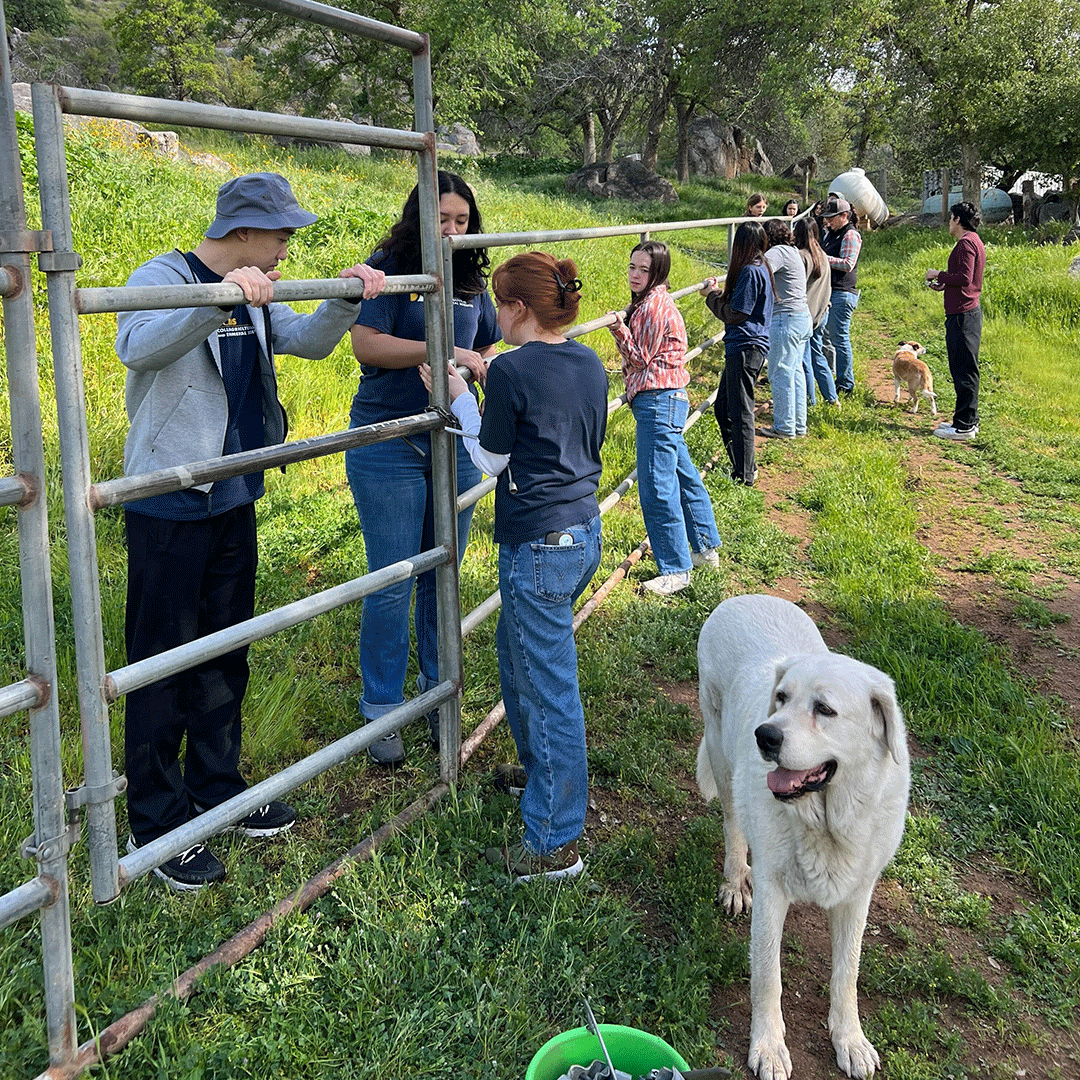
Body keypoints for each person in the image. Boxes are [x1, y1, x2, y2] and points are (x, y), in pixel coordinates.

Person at [117, 172, 386, 891]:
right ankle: (157, 820)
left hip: (234, 493)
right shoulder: (166, 276)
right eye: (281, 236)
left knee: (225, 651)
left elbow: (304, 339)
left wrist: (343, 297)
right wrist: (219, 299)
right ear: (241, 229)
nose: (287, 249)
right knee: (161, 663)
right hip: (169, 499)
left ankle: (216, 788)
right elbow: (137, 346)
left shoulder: (258, 286)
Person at [420, 252, 608, 881]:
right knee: (519, 656)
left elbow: (493, 461)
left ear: (519, 308)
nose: (492, 314)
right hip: (582, 529)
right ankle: (542, 774)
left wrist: (458, 399)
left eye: (499, 303)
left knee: (550, 685)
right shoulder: (587, 359)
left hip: (538, 540)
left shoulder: (511, 371)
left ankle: (554, 839)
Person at [346, 171, 501, 767]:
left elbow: (485, 342)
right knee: (394, 578)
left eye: (462, 221)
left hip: (453, 441)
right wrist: (444, 354)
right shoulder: (388, 266)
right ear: (420, 216)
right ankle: (381, 708)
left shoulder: (468, 277)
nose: (453, 230)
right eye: (443, 219)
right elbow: (366, 344)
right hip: (389, 442)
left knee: (445, 573)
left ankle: (440, 696)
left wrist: (478, 363)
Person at [607, 241, 722, 597]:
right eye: (632, 267)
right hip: (665, 400)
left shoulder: (654, 307)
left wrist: (617, 326)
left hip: (659, 401)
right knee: (682, 474)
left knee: (657, 486)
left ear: (658, 273)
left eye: (644, 270)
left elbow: (640, 358)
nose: (636, 275)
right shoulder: (649, 302)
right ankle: (704, 547)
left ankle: (675, 569)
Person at [701, 221, 774, 487]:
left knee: (740, 411)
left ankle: (744, 475)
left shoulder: (750, 271)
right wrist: (718, 293)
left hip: (745, 346)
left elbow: (736, 313)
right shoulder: (761, 266)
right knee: (723, 408)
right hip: (746, 347)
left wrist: (711, 298)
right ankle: (743, 465)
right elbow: (741, 302)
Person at [926, 201, 986, 441]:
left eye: (951, 218)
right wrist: (943, 284)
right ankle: (965, 419)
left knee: (964, 370)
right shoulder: (973, 240)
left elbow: (964, 277)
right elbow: (963, 279)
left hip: (963, 315)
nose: (949, 223)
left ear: (958, 220)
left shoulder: (965, 244)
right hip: (965, 312)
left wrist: (937, 274)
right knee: (963, 368)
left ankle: (964, 426)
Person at [760, 218, 813, 439]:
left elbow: (759, 270)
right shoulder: (792, 251)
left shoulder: (778, 252)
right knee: (795, 373)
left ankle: (784, 427)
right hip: (800, 317)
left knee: (780, 373)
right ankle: (798, 426)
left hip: (786, 319)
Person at [793, 217, 838, 406]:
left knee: (804, 362)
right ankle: (831, 397)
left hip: (807, 315)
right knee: (817, 355)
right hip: (822, 312)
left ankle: (809, 401)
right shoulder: (823, 255)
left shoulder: (801, 256)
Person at [820, 196, 862, 395]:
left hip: (842, 293)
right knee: (829, 337)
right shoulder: (832, 233)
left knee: (840, 339)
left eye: (832, 217)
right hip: (832, 292)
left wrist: (821, 258)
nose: (828, 221)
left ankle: (845, 384)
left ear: (844, 215)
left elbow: (847, 264)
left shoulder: (850, 235)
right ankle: (832, 377)